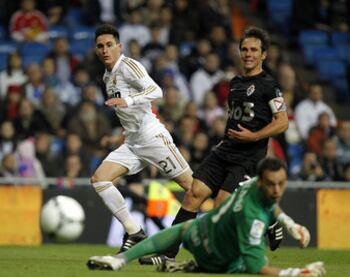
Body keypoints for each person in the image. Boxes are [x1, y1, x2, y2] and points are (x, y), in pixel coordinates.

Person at [140, 26, 290, 265]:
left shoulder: (269, 86)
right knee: (193, 195)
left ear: (263, 55)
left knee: (221, 205)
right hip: (225, 150)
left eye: (254, 50)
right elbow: (236, 118)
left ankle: (263, 221)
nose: (248, 54)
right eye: (244, 49)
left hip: (248, 156)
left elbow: (282, 122)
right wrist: (225, 139)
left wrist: (255, 136)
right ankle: (167, 255)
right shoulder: (234, 83)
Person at [87, 157, 325, 276]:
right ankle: (198, 265)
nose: (276, 190)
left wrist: (289, 223)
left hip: (200, 232)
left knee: (180, 229)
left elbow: (270, 203)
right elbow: (255, 266)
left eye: (281, 184)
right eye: (272, 184)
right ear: (262, 181)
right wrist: (296, 272)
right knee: (246, 261)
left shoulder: (253, 185)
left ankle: (120, 260)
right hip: (220, 259)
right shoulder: (252, 220)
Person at [91, 24, 193, 253]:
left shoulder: (128, 66)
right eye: (100, 46)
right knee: (100, 179)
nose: (105, 50)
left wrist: (129, 101)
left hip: (152, 138)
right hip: (132, 142)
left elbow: (157, 91)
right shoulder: (108, 75)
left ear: (119, 46)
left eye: (109, 45)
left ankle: (240, 213)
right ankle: (134, 231)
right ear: (96, 50)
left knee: (194, 188)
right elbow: (128, 117)